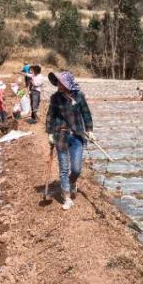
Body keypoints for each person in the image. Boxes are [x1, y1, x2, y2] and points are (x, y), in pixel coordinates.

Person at [46, 71, 94, 211]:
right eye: (58, 82)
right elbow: (50, 116)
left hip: (77, 136)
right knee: (64, 168)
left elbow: (86, 113)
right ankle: (66, 197)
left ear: (67, 83)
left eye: (61, 82)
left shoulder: (79, 96)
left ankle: (72, 182)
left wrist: (90, 130)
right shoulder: (55, 98)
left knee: (76, 169)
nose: (58, 84)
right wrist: (49, 133)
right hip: (61, 136)